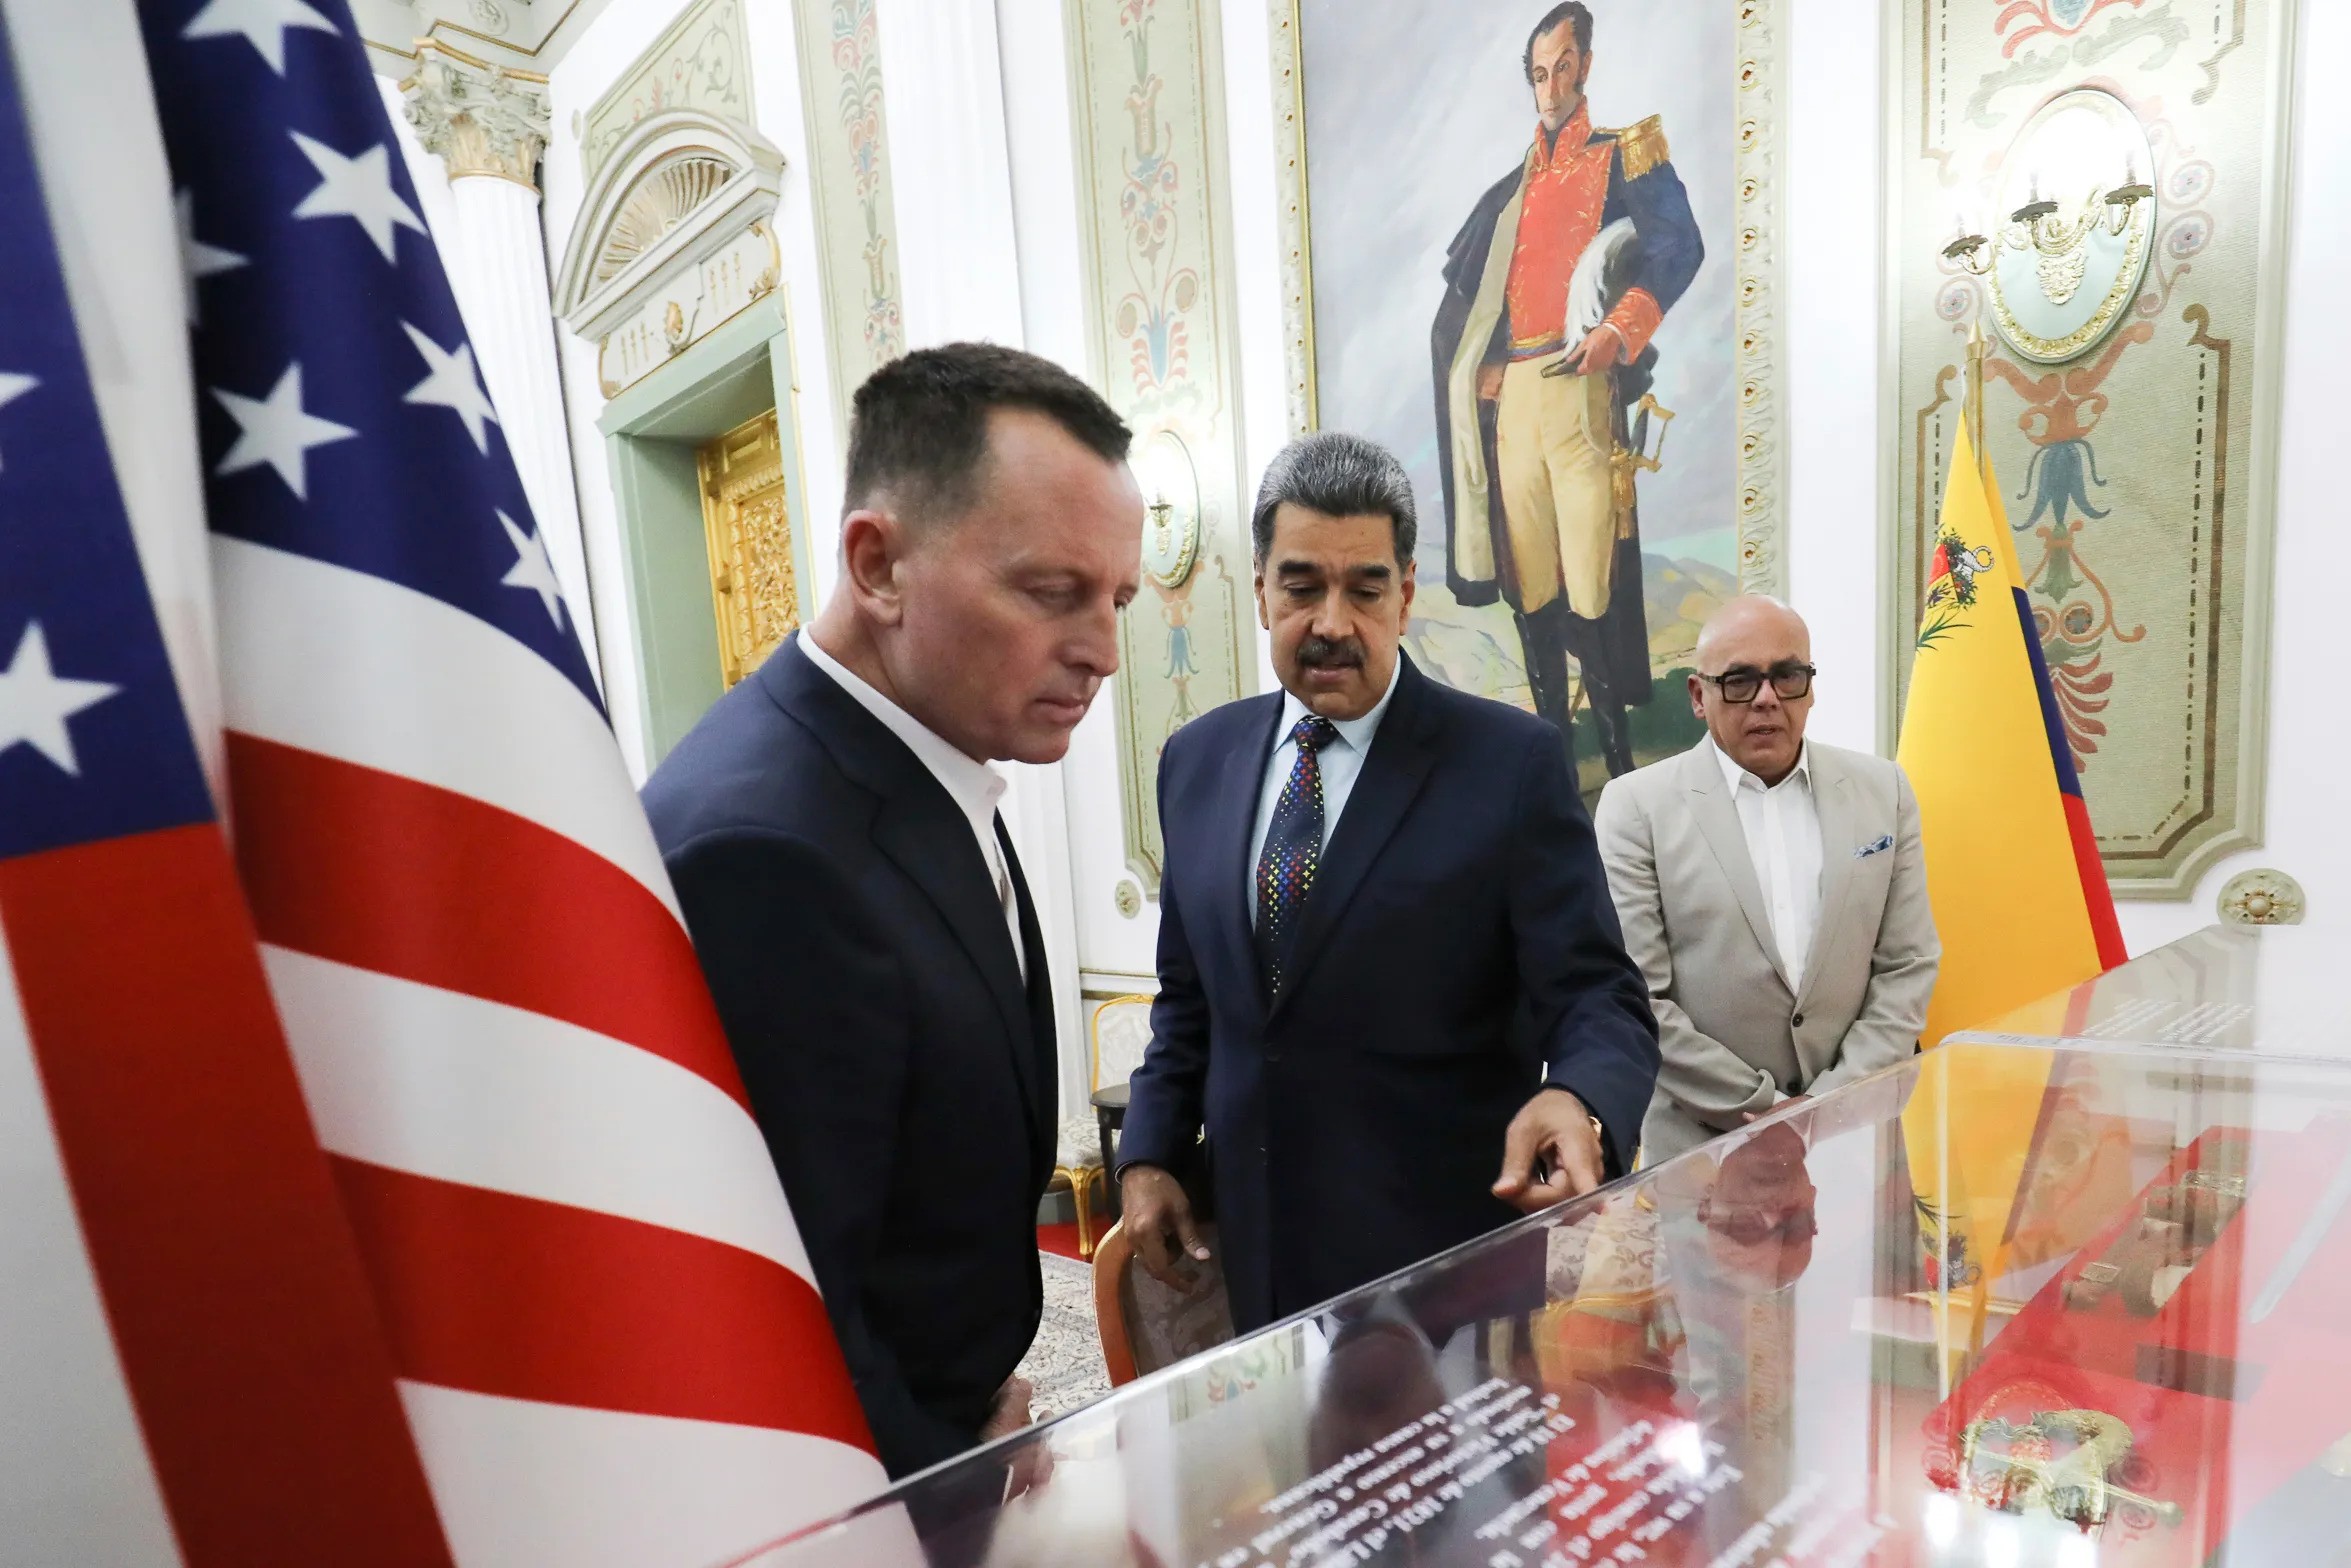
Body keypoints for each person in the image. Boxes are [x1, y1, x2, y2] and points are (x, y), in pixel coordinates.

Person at [641, 343, 1143, 1477]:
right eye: (1052, 592)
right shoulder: (762, 852)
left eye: (1116, 598)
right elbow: (773, 1313)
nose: (1105, 652)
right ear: (877, 565)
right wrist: (946, 1476)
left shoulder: (920, 754)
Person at [1116, 431, 1659, 1332]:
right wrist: (1150, 1153)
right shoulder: (1196, 760)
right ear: (1260, 591)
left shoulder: (1508, 764)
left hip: (1447, 1273)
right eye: (1301, 586)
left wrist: (1578, 1099)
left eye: (1364, 589)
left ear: (1404, 596)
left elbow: (1597, 994)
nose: (1332, 622)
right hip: (1254, 1252)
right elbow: (1189, 999)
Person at [1431, 1, 1705, 776]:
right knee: (1531, 587)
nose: (1549, 87)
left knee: (1592, 586)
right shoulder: (1510, 190)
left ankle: (1617, 768)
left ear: (1584, 65)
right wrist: (1483, 364)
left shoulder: (1623, 156)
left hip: (1581, 387)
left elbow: (1679, 247)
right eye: (1537, 74)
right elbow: (1474, 302)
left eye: (1560, 69)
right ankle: (1551, 763)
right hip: (1514, 400)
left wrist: (1618, 330)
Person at [1594, 597, 1939, 1164]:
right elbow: (1639, 997)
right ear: (1698, 696)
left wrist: (1826, 1107)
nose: (1766, 698)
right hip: (1702, 1154)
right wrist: (1765, 1110)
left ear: (1810, 686)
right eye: (1739, 681)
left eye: (1787, 675)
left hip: (1856, 1140)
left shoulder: (1885, 791)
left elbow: (1907, 964)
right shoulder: (1635, 808)